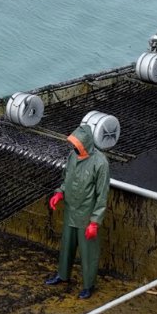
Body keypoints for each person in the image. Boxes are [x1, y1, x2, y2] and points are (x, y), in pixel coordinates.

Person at [44, 123, 110, 299]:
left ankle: (89, 285)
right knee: (66, 246)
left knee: (88, 252)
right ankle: (62, 275)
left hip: (87, 215)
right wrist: (59, 193)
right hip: (71, 211)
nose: (74, 147)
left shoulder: (100, 163)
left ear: (86, 143)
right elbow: (67, 179)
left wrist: (95, 222)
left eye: (77, 144)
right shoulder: (72, 156)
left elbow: (102, 194)